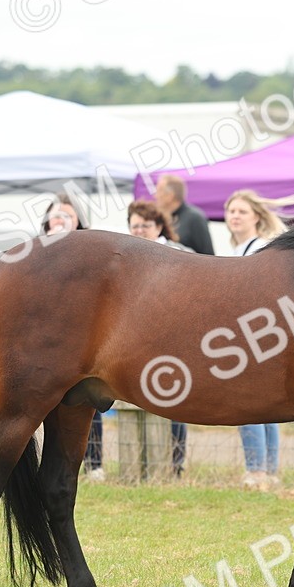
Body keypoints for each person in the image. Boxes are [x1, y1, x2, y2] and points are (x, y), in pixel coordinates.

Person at [224, 189, 287, 488]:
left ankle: (257, 470)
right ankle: (267, 470)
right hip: (250, 332)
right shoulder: (237, 250)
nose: (235, 216)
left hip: (255, 333)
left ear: (257, 218)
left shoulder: (261, 247)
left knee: (244, 399)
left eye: (242, 212)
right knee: (262, 404)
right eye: (232, 211)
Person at [38, 193, 104, 478]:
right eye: (56, 214)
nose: (61, 219)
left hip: (85, 341)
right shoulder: (34, 252)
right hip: (50, 340)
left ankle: (95, 461)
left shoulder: (92, 254)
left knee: (90, 402)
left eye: (67, 214)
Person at [127, 198, 191, 476]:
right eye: (134, 225)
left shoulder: (181, 253)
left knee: (179, 400)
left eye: (145, 225)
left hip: (177, 338)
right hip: (138, 340)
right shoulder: (125, 256)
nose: (139, 230)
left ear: (158, 226)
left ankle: (176, 463)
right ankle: (138, 467)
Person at [154, 174, 214, 255]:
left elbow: (208, 255)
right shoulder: (161, 218)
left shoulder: (195, 218)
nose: (155, 195)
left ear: (170, 195)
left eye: (159, 191)